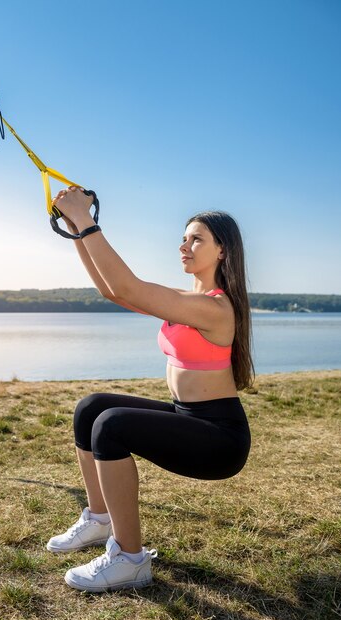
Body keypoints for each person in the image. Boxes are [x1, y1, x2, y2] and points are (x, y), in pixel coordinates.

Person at [46, 186, 254, 593]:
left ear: (223, 251)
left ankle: (129, 559)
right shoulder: (186, 298)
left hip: (219, 439)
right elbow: (114, 290)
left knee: (112, 425)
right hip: (187, 416)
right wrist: (75, 228)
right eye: (184, 237)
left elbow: (129, 287)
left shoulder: (215, 307)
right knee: (91, 408)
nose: (184, 245)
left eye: (197, 239)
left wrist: (88, 222)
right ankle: (100, 518)